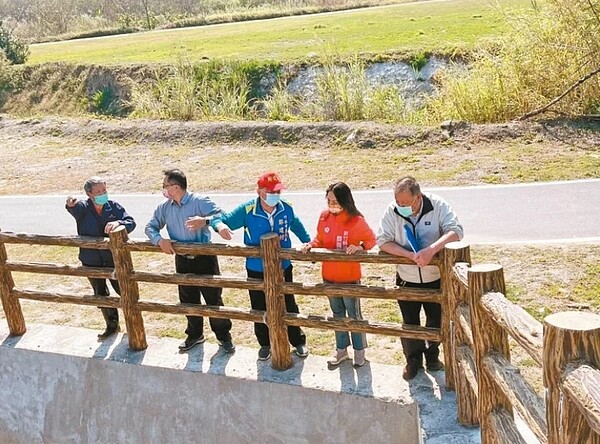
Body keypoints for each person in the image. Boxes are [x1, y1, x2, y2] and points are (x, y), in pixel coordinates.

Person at [211, 171, 310, 361]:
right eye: (271, 191)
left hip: (283, 266)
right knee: (259, 306)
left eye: (278, 191)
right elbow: (220, 219)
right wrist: (220, 227)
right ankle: (265, 344)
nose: (275, 195)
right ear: (259, 191)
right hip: (256, 268)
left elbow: (296, 224)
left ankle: (297, 341)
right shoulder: (247, 210)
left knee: (288, 303)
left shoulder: (286, 208)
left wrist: (307, 241)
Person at [377, 176, 463, 380]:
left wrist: (431, 250)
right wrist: (408, 255)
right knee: (410, 322)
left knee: (435, 320)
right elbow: (382, 241)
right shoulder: (392, 211)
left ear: (418, 197)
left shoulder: (438, 205)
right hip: (406, 277)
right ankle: (413, 360)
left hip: (435, 277)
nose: (400, 206)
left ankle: (433, 357)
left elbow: (456, 231)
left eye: (405, 203)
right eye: (398, 202)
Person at [145, 169, 234, 353]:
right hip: (182, 260)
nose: (163, 189)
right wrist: (159, 240)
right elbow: (150, 226)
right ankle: (195, 335)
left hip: (204, 258)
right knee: (188, 299)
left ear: (175, 187)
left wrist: (207, 222)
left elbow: (222, 216)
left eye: (165, 186)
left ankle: (224, 337)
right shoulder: (164, 207)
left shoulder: (199, 201)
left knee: (213, 299)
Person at [301, 182, 376, 368]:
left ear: (344, 200)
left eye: (335, 201)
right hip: (329, 276)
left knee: (354, 315)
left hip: (350, 278)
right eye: (328, 200)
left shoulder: (357, 220)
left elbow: (372, 239)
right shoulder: (324, 217)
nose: (331, 204)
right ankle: (341, 350)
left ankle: (360, 352)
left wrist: (360, 247)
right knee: (337, 314)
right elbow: (320, 239)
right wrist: (311, 245)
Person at [65, 176, 136, 340]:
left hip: (113, 259)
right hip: (91, 259)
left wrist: (119, 223)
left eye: (104, 190)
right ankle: (111, 324)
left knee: (123, 290)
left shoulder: (114, 206)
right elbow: (74, 208)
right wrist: (70, 203)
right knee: (100, 294)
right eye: (98, 192)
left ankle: (132, 322)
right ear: (89, 194)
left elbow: (130, 222)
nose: (103, 193)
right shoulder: (83, 207)